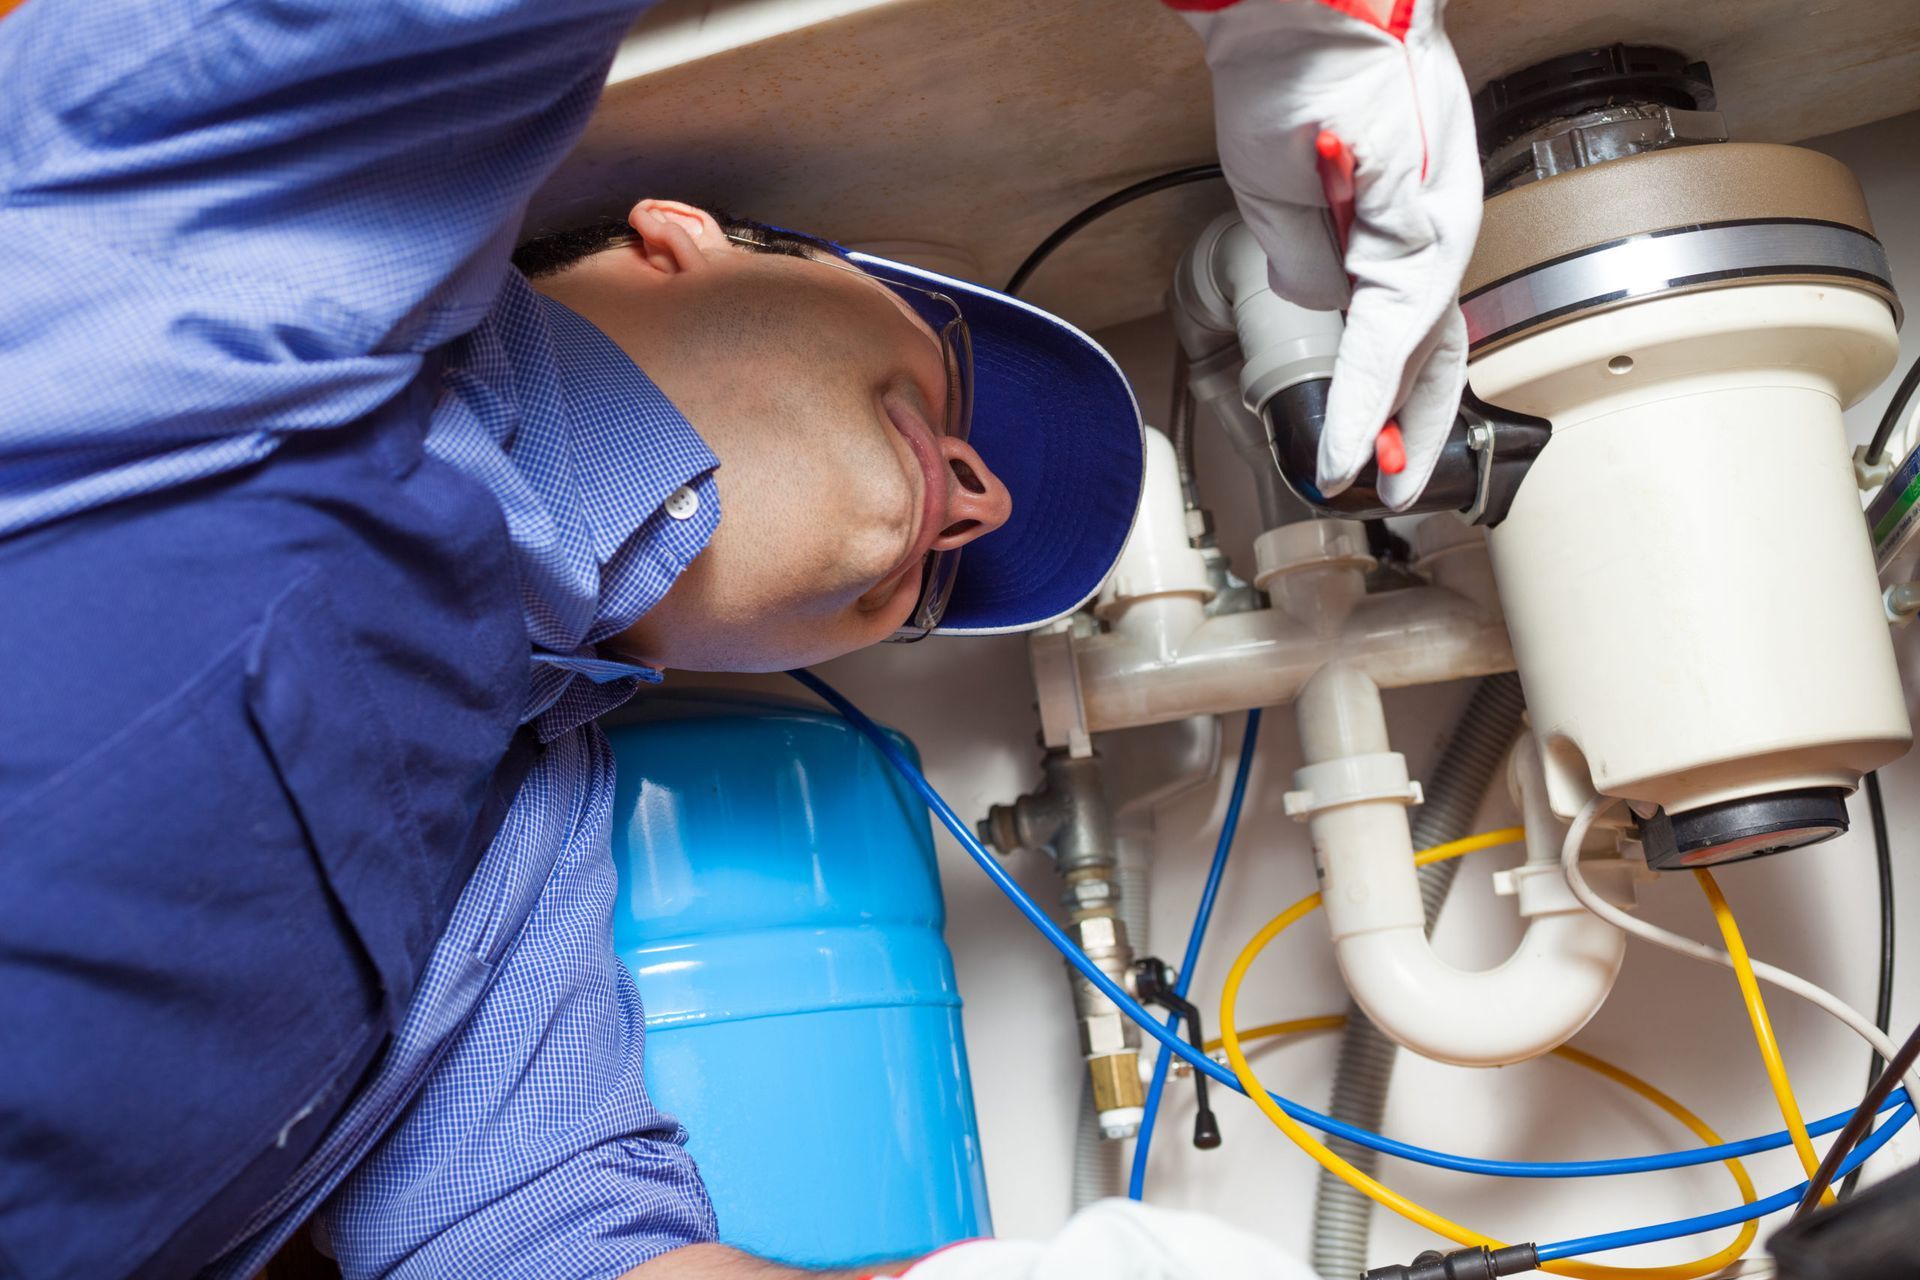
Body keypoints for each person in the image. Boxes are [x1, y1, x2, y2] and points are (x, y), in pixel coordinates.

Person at [0, 0, 1479, 1276]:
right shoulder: (279, 234)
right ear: (684, 239)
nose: (976, 497)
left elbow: (529, 1239)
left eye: (943, 590)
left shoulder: (518, 846)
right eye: (947, 385)